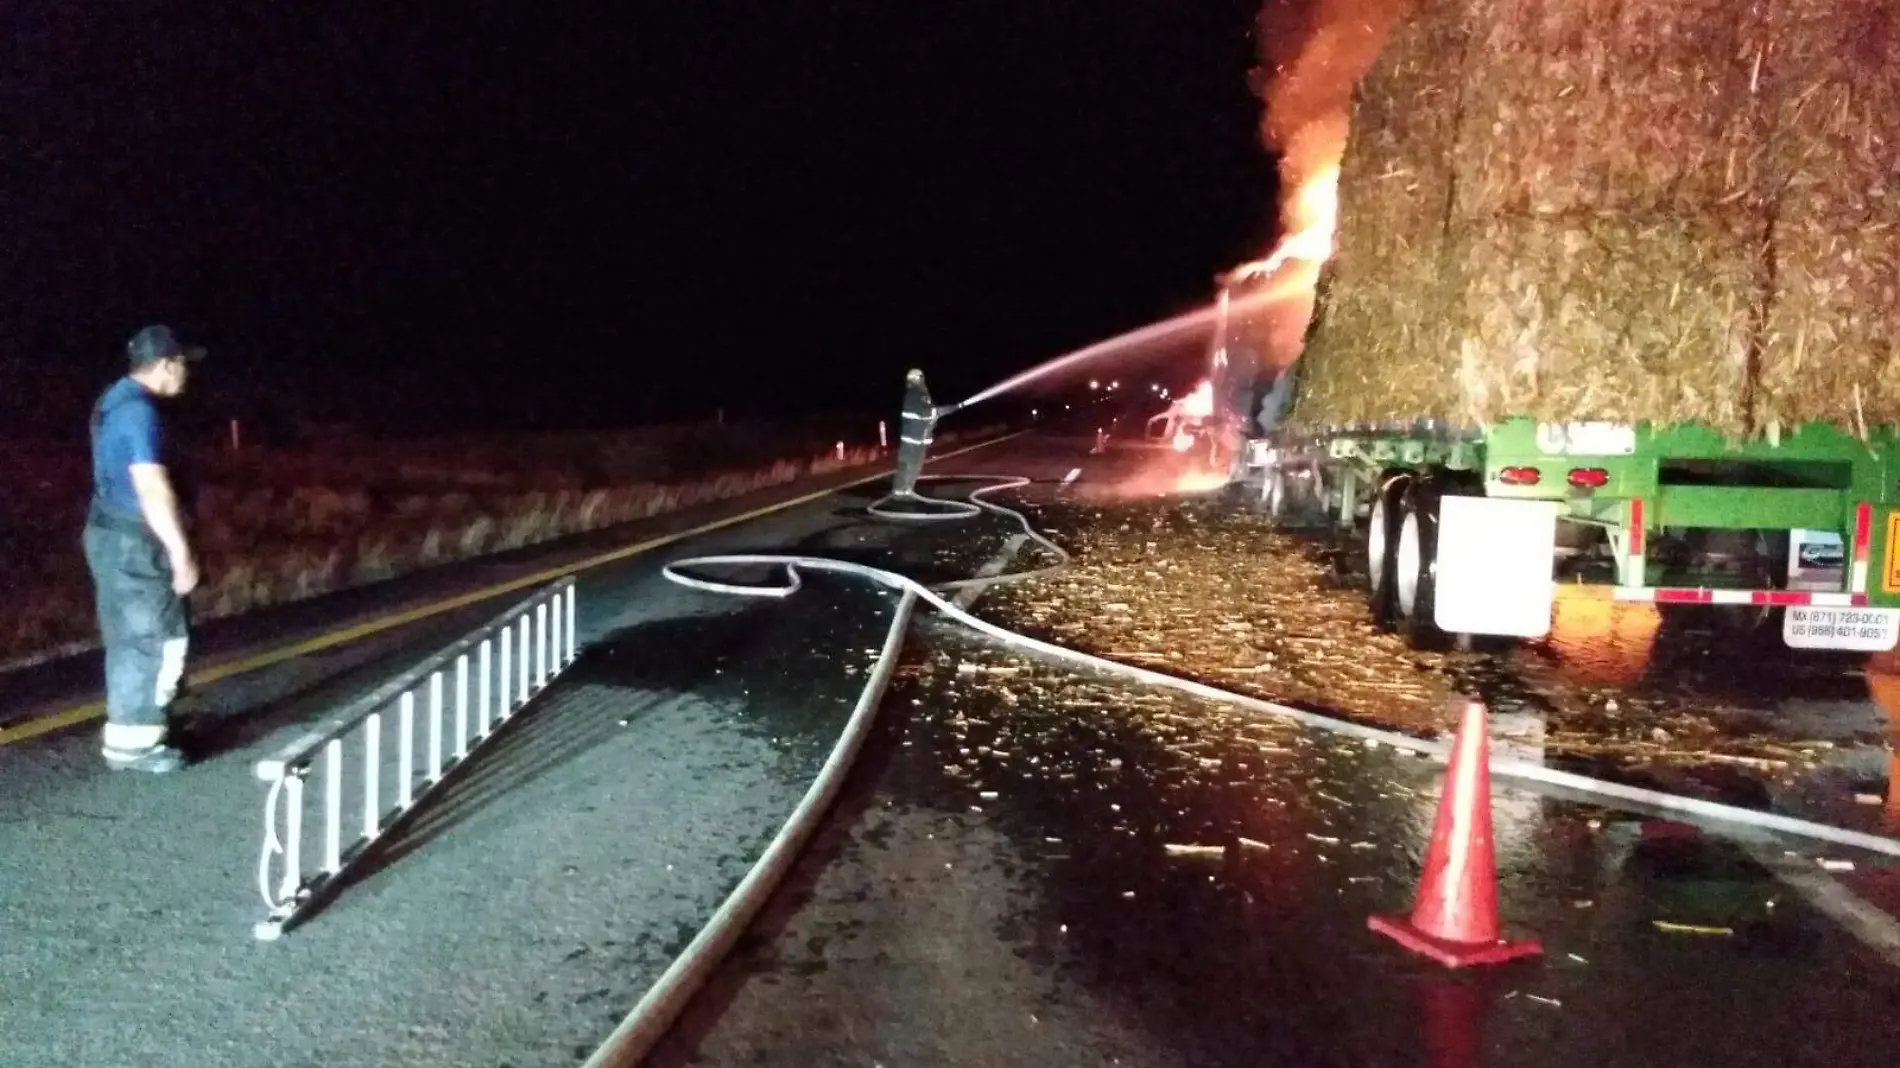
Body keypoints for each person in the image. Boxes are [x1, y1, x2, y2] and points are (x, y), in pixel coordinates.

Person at [83, 324, 205, 772]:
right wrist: (181, 553)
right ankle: (135, 743)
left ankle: (158, 721)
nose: (187, 374)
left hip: (112, 534)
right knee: (153, 638)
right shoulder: (139, 414)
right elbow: (151, 487)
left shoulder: (114, 399)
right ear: (166, 364)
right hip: (136, 541)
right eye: (183, 365)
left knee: (133, 635)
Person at [892, 368, 937, 498]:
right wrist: (936, 412)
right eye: (921, 378)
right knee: (907, 463)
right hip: (911, 439)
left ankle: (908, 489)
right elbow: (925, 412)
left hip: (921, 438)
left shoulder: (922, 394)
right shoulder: (913, 394)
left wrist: (935, 413)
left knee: (916, 465)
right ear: (918, 379)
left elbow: (929, 413)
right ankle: (900, 491)